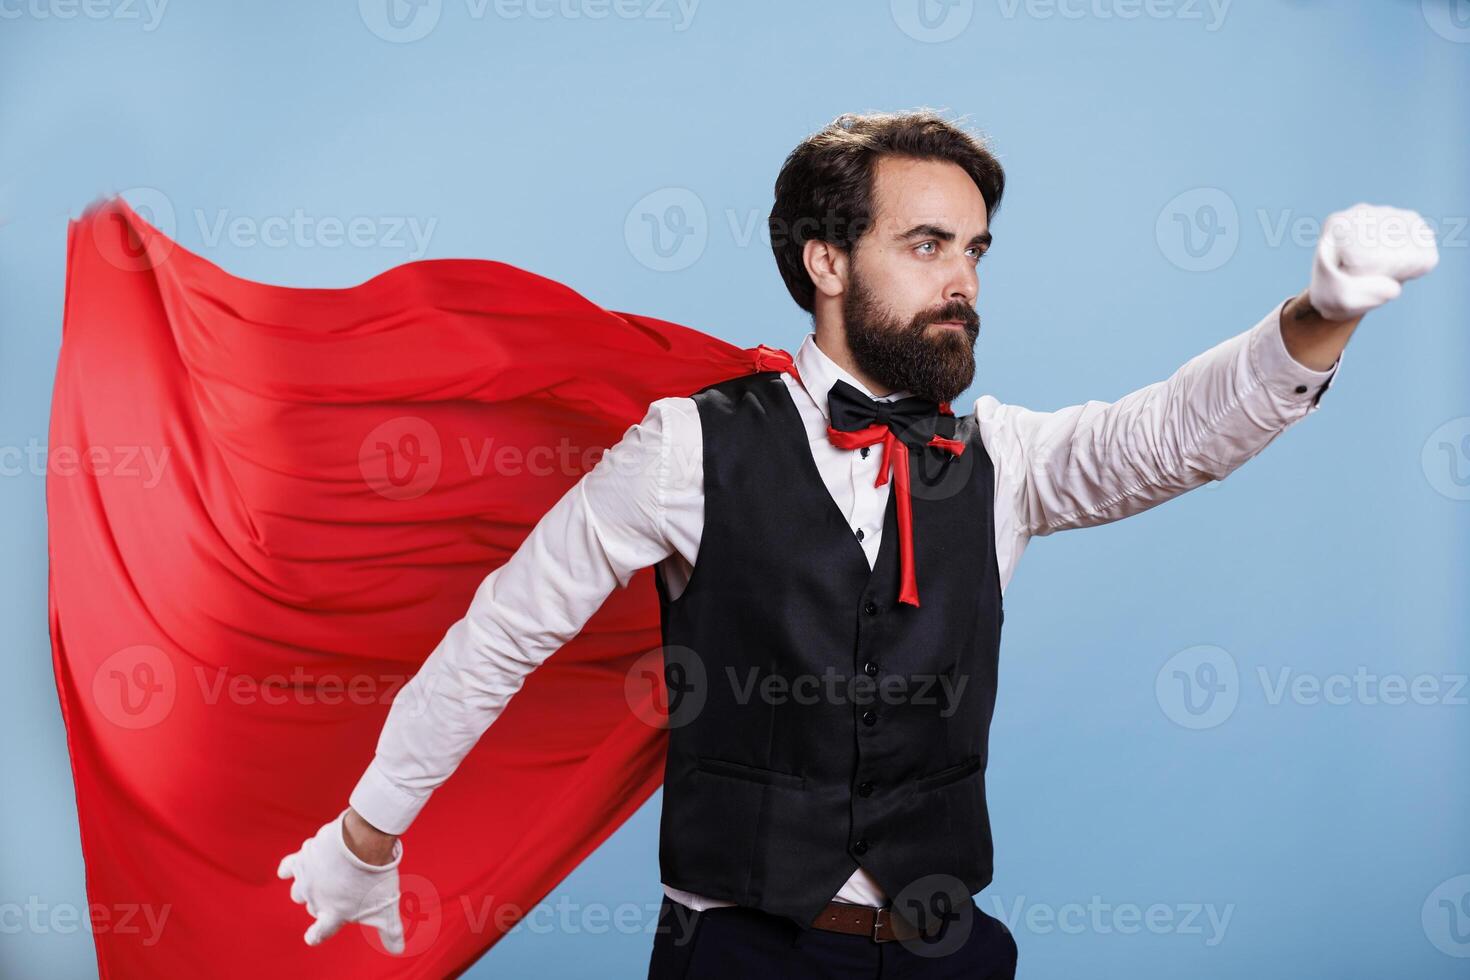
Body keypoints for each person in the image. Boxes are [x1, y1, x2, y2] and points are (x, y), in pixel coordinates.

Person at [276, 110, 1438, 977]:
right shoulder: (686, 446)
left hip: (948, 948)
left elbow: (1174, 433)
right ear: (826, 262)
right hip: (741, 950)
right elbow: (502, 635)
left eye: (977, 250)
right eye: (929, 244)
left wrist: (1319, 314)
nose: (964, 281)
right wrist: (366, 835)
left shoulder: (1008, 462)